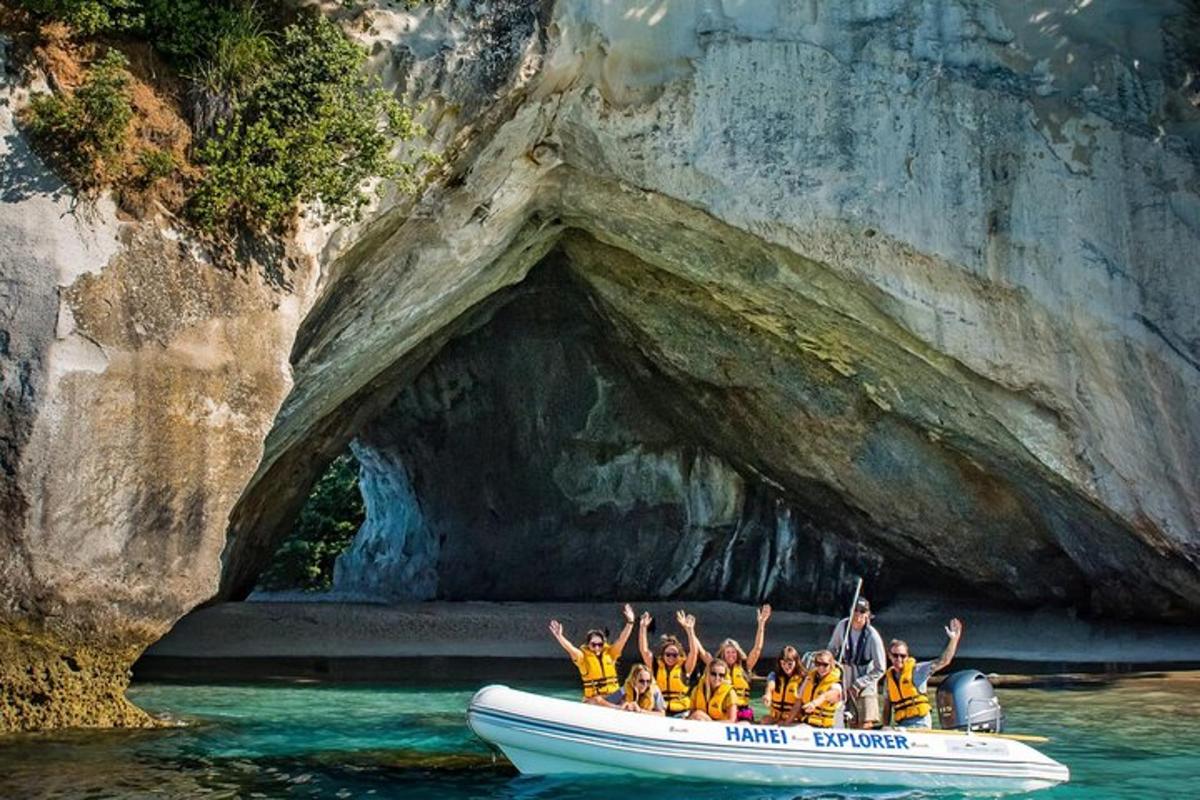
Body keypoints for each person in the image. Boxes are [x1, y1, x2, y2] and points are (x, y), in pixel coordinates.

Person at [883, 618, 964, 728]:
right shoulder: (889, 677)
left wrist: (954, 639)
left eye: (903, 656)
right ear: (889, 656)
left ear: (907, 656)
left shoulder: (918, 670)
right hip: (901, 724)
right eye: (895, 655)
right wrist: (885, 726)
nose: (899, 659)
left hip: (920, 722)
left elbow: (944, 661)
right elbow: (887, 706)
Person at [696, 603, 771, 721]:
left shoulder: (745, 667)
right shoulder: (717, 668)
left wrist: (761, 624)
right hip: (721, 712)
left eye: (733, 652)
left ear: (738, 653)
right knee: (698, 716)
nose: (731, 655)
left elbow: (757, 649)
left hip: (742, 713)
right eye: (728, 652)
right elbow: (702, 652)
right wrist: (690, 631)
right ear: (723, 654)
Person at [548, 604, 636, 702]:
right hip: (595, 698)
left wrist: (630, 622)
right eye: (593, 644)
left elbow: (622, 639)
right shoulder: (582, 657)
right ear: (588, 644)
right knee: (599, 700)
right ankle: (617, 708)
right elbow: (570, 648)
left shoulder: (610, 654)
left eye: (600, 644)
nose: (597, 647)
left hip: (613, 695)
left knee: (629, 689)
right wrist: (559, 636)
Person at [827, 596, 885, 729]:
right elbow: (832, 648)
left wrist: (859, 685)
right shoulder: (842, 626)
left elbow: (880, 668)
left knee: (865, 723)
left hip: (865, 685)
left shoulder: (872, 636)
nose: (858, 615)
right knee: (850, 721)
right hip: (846, 681)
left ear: (868, 615)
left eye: (862, 611)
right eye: (856, 610)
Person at [638, 609, 700, 717]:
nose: (671, 658)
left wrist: (690, 630)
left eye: (674, 655)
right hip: (660, 710)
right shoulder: (656, 666)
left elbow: (694, 652)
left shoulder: (685, 667)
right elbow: (644, 650)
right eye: (668, 654)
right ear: (663, 655)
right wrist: (643, 627)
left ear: (679, 656)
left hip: (681, 711)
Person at [783, 649, 843, 728]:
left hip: (824, 727)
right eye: (818, 664)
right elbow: (799, 702)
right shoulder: (809, 679)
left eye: (825, 664)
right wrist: (786, 724)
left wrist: (815, 703)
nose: (821, 667)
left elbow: (832, 694)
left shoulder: (835, 683)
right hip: (807, 723)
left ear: (831, 664)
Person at [594, 663, 666, 715]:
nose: (645, 684)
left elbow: (662, 714)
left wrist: (640, 711)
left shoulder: (655, 691)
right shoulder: (624, 690)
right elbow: (603, 702)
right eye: (641, 681)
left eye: (648, 681)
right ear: (634, 680)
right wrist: (621, 708)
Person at [761, 645, 804, 724]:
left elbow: (799, 702)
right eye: (783, 663)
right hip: (776, 717)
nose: (786, 667)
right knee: (764, 720)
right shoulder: (774, 675)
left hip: (794, 719)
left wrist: (787, 722)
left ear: (796, 662)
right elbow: (770, 687)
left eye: (790, 664)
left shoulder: (803, 679)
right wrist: (767, 696)